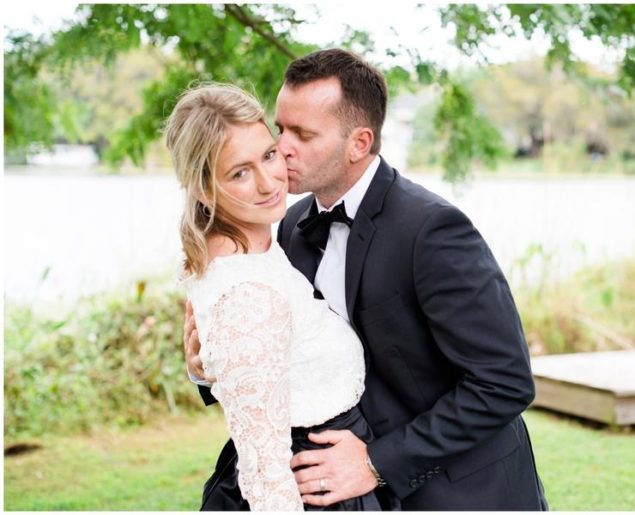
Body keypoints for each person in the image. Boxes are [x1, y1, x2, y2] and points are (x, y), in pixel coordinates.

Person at [186, 48, 548, 510]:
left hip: (458, 491)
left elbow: (505, 382)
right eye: (281, 128)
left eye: (303, 134)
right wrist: (206, 364)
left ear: (358, 143)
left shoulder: (432, 230)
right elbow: (285, 357)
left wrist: (377, 462)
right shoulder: (288, 225)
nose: (282, 148)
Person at [166, 83, 391, 511]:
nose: (270, 181)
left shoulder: (262, 242)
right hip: (303, 488)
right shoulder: (246, 289)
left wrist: (206, 370)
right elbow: (266, 475)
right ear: (202, 188)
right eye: (239, 172)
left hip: (331, 474)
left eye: (269, 155)